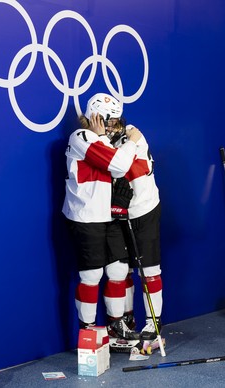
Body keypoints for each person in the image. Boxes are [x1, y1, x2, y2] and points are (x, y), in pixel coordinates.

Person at [62, 93, 143, 343]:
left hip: (108, 215)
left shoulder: (104, 140)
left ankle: (116, 324)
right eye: (109, 120)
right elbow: (118, 165)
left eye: (116, 121)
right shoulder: (82, 137)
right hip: (86, 216)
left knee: (118, 269)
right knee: (92, 276)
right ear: (94, 116)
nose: (113, 125)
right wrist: (132, 142)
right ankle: (87, 330)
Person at [105, 118, 164, 353]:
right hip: (119, 213)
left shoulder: (133, 136)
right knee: (121, 270)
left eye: (112, 122)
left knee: (148, 270)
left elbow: (123, 168)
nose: (108, 127)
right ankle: (126, 322)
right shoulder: (101, 140)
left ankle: (153, 322)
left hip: (143, 209)